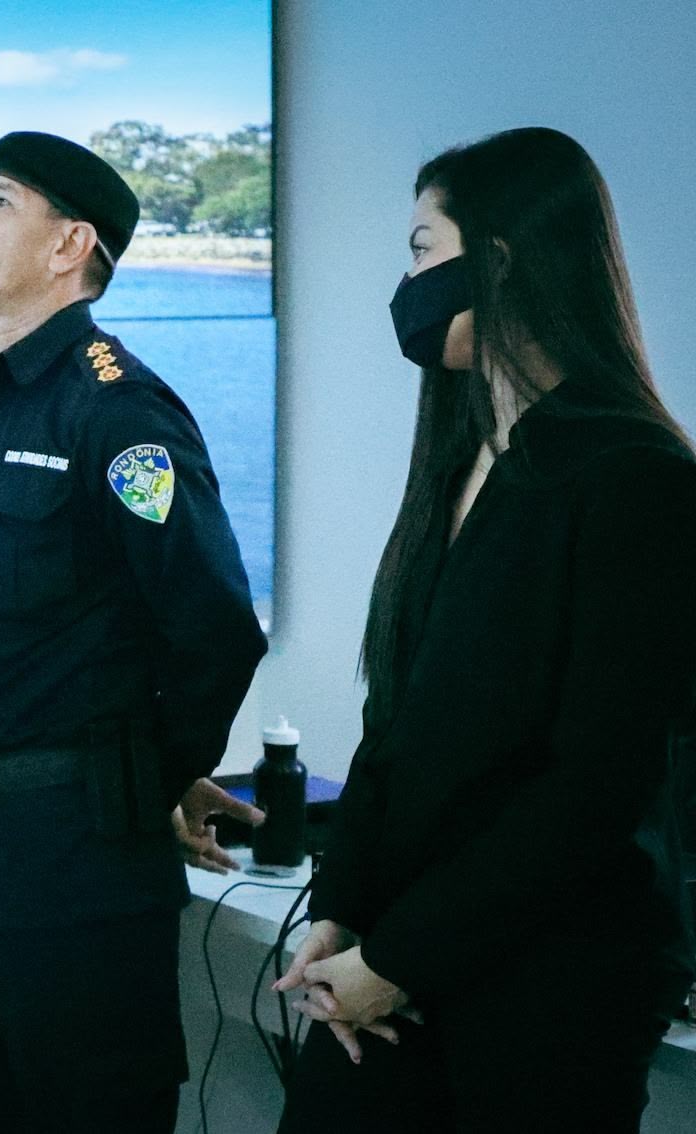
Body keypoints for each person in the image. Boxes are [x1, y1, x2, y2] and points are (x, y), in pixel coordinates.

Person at [274, 126, 696, 1134]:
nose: (408, 282)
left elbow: (597, 784)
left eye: (423, 249)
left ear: (498, 259)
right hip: (399, 956)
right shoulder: (464, 458)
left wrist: (397, 959)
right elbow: (399, 728)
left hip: (546, 980)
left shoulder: (635, 479)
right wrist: (343, 906)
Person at [0, 131, 268, 1131]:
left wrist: (136, 778)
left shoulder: (117, 413)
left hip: (71, 870)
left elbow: (212, 627)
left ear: (70, 246)